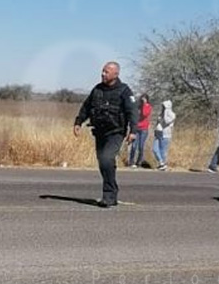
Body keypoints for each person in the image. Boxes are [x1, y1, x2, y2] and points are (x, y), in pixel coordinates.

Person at [73, 61, 139, 208]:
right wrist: (78, 122)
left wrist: (133, 131)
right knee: (104, 164)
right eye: (102, 71)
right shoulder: (97, 89)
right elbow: (86, 106)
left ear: (116, 74)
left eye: (106, 72)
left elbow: (132, 111)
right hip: (100, 132)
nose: (103, 74)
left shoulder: (124, 91)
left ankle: (108, 196)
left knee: (106, 159)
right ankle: (113, 192)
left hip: (116, 132)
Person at [127, 94, 152, 168]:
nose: (142, 100)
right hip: (137, 128)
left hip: (144, 129)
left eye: (144, 99)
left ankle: (139, 162)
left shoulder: (148, 107)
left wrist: (144, 105)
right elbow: (134, 115)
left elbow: (144, 114)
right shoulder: (138, 107)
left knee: (141, 146)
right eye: (141, 99)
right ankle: (131, 161)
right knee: (134, 146)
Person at [152, 100, 175, 171]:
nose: (163, 108)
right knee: (155, 149)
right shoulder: (161, 114)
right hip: (158, 133)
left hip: (166, 134)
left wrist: (166, 112)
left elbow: (166, 121)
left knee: (162, 150)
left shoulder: (172, 114)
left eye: (164, 106)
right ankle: (161, 163)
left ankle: (162, 165)